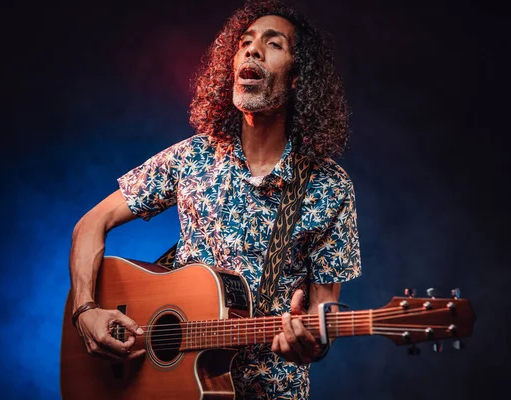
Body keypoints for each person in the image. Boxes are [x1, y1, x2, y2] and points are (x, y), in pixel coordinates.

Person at [68, 0, 362, 398]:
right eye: (245, 42)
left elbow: (323, 314)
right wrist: (85, 310)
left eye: (273, 44)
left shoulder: (329, 186)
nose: (252, 49)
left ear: (297, 78)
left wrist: (313, 342)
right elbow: (90, 224)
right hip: (171, 389)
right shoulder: (194, 156)